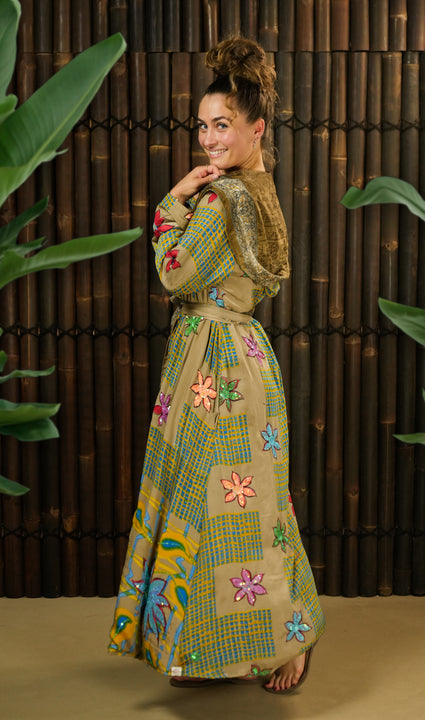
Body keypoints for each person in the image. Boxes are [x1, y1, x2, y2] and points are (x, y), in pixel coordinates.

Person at [108, 35, 325, 694]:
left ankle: (288, 642)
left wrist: (171, 201)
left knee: (220, 504)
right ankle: (217, 648)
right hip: (243, 354)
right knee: (243, 503)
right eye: (202, 125)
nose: (208, 138)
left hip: (215, 364)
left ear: (256, 128)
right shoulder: (259, 190)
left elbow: (173, 274)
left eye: (222, 125)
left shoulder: (219, 200)